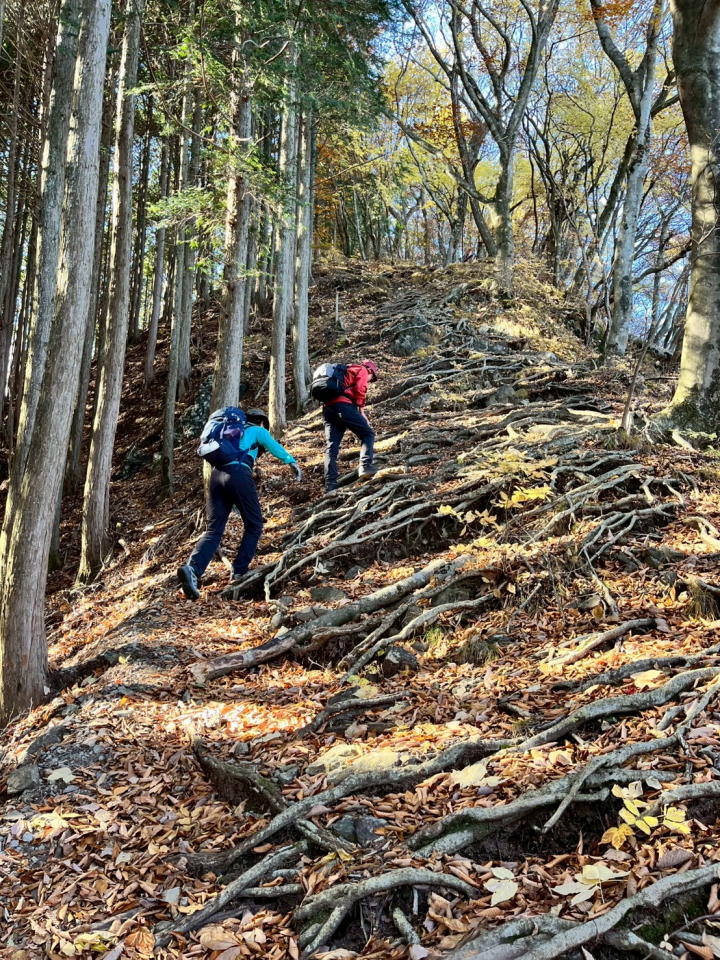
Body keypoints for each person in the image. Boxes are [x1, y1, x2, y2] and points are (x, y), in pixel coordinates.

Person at [177, 409, 302, 600]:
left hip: (216, 477)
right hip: (238, 473)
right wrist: (291, 462)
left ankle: (192, 570)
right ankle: (239, 571)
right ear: (261, 421)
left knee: (213, 530)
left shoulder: (228, 434)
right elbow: (274, 446)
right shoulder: (257, 430)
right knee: (254, 524)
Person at [322, 359, 378, 493]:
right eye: (372, 378)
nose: (370, 381)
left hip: (328, 409)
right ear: (370, 371)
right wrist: (361, 411)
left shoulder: (343, 373)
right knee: (368, 434)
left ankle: (330, 484)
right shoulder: (362, 370)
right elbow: (360, 389)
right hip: (343, 405)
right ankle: (365, 466)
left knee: (331, 446)